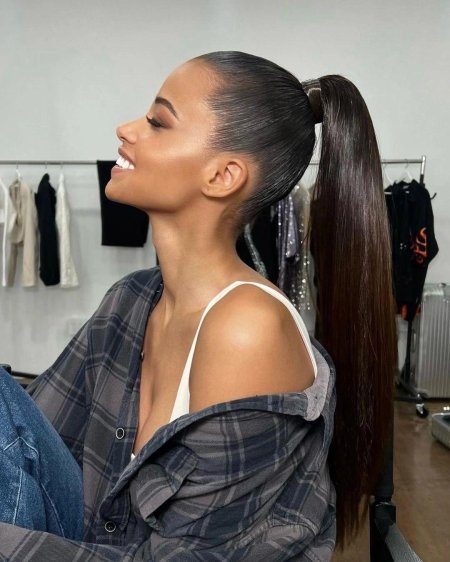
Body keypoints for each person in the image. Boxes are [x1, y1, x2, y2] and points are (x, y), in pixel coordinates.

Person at [0, 50, 397, 560]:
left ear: (223, 175)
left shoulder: (247, 330)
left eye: (158, 122)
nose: (125, 129)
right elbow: (26, 439)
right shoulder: (131, 298)